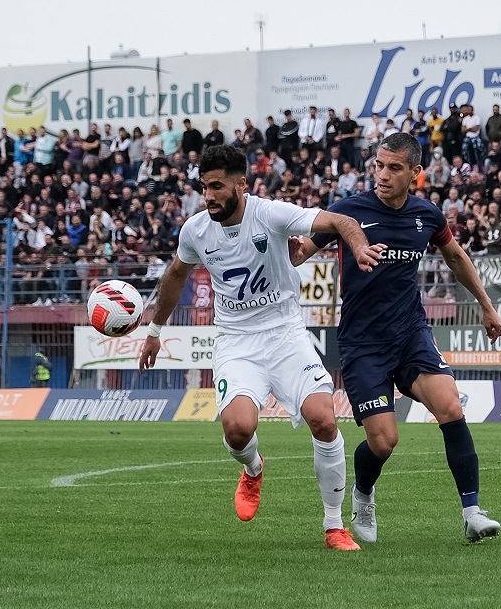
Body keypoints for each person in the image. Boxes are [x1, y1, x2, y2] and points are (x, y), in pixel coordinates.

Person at [138, 144, 384, 551]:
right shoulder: (196, 230)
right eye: (204, 187)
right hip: (237, 342)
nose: (209, 195)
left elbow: (341, 219)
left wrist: (357, 247)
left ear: (241, 184)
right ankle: (253, 468)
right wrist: (155, 330)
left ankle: (334, 525)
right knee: (238, 429)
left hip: (286, 333)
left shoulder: (270, 214)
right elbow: (175, 275)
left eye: (217, 186)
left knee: (323, 418)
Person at [290, 133, 501, 544]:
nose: (383, 175)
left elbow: (455, 256)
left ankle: (472, 513)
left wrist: (486, 304)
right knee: (385, 441)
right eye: (378, 165)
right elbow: (301, 253)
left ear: (415, 173)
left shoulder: (427, 215)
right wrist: (279, 242)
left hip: (410, 334)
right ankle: (363, 493)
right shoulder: (347, 211)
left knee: (450, 408)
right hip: (362, 344)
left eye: (394, 168)